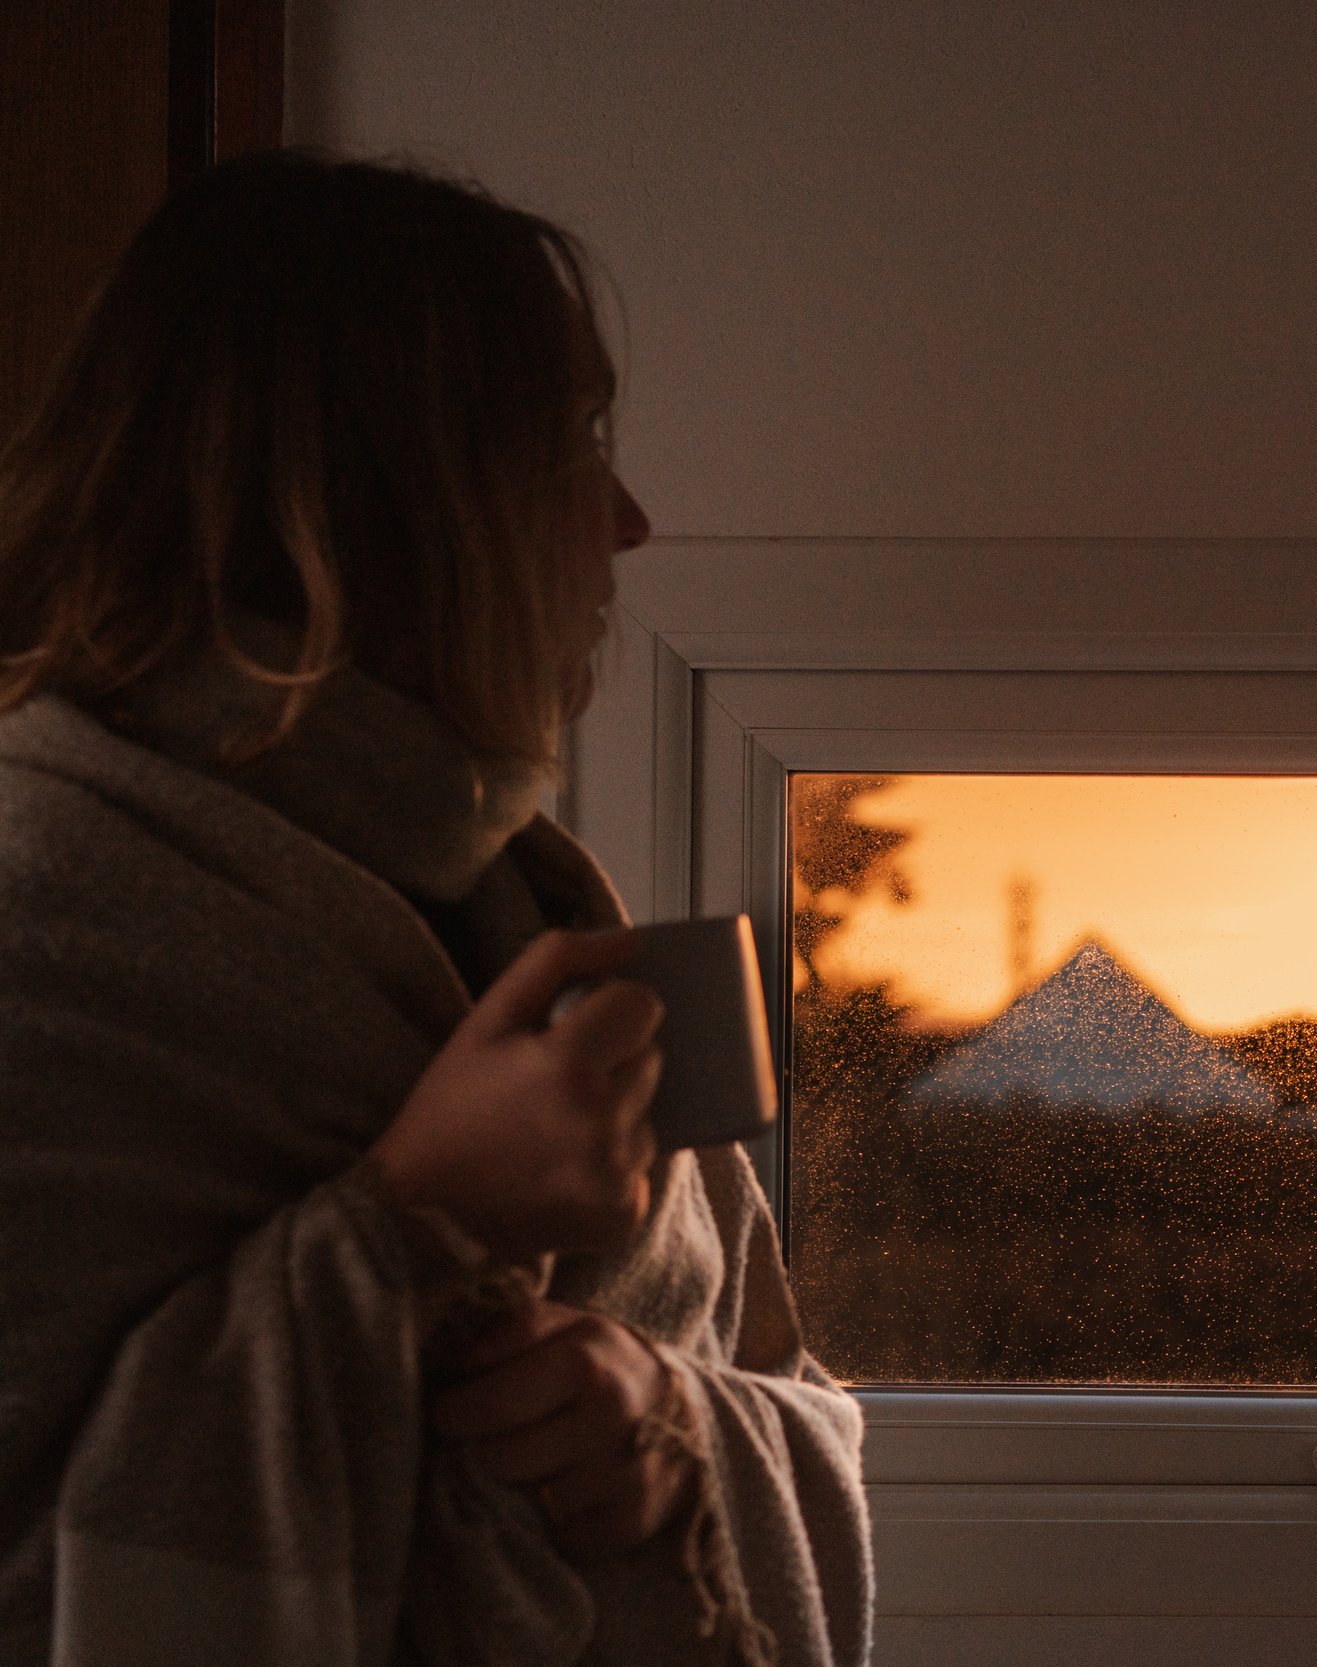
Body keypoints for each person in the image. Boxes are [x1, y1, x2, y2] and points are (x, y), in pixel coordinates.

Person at [0, 152, 870, 1664]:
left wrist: (661, 1427)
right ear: (369, 500)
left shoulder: (537, 917)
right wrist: (418, 1228)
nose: (626, 522)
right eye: (565, 449)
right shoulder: (42, 937)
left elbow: (788, 1400)